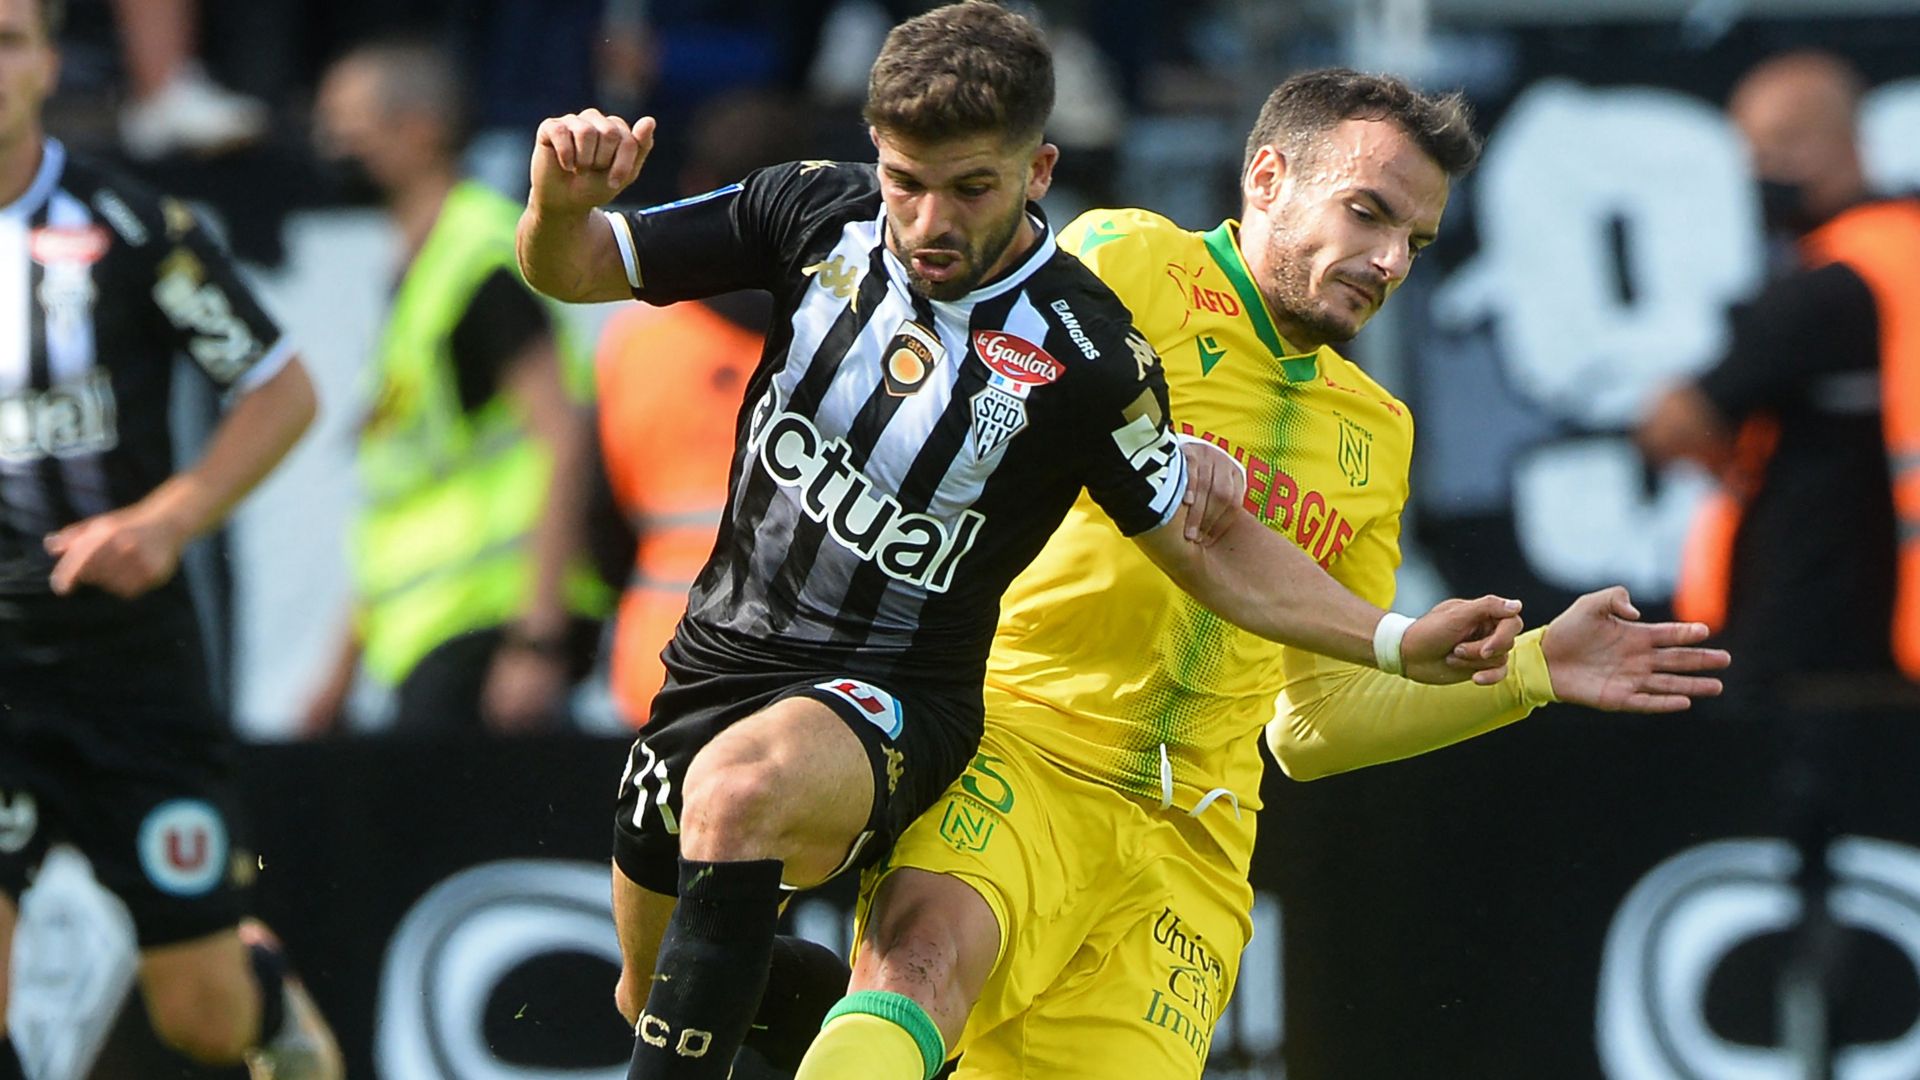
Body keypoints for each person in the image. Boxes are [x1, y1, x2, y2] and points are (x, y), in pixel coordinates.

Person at [515, 5, 1530, 1078]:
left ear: (1037, 171)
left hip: (910, 696)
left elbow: (1219, 562)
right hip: (721, 660)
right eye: (908, 183)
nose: (930, 223)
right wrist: (556, 204)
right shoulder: (815, 213)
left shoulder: (1085, 351)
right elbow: (572, 265)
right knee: (652, 987)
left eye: (971, 189)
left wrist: (1407, 641)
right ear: (876, 157)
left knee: (746, 801)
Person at [794, 68, 1734, 1080]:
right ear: (1269, 177)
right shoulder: (1130, 260)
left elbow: (1313, 725)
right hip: (1019, 738)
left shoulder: (1378, 430)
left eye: (1413, 243)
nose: (1386, 262)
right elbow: (972, 400)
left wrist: (1535, 668)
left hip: (1190, 850)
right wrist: (1135, 439)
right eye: (1366, 213)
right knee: (917, 969)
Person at [0, 0, 340, 1077]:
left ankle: (267, 1000)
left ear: (51, 61)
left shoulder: (133, 227)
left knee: (201, 1016)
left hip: (128, 669)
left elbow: (281, 389)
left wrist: (166, 519)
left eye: (8, 40)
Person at [301, 40, 607, 738]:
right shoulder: (422, 271)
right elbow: (400, 496)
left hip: (492, 625)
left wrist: (535, 642)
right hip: (436, 631)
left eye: (347, 125)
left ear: (421, 128)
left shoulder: (476, 256)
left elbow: (562, 435)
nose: (330, 145)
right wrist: (337, 677)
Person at [1639, 50, 1918, 710]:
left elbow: (1672, 425)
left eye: (1784, 144)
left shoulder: (1826, 289)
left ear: (1848, 141)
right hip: (1889, 623)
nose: (1764, 170)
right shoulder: (1901, 251)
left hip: (1816, 632)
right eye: (1753, 151)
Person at [593, 92, 812, 727]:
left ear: (697, 194)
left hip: (663, 668)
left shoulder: (637, 344)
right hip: (815, 686)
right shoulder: (874, 344)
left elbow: (599, 532)